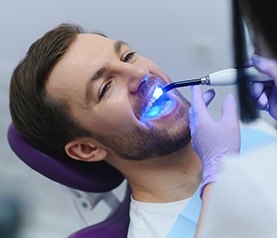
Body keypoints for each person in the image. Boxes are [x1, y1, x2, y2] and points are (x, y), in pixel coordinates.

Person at [9, 23, 246, 238]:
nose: (140, 74)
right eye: (106, 88)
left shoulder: (248, 134)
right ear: (87, 148)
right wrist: (220, 177)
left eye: (128, 56)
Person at [190, 0, 277, 237]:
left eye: (253, 26)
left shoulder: (251, 182)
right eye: (106, 87)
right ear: (93, 149)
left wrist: (218, 177)